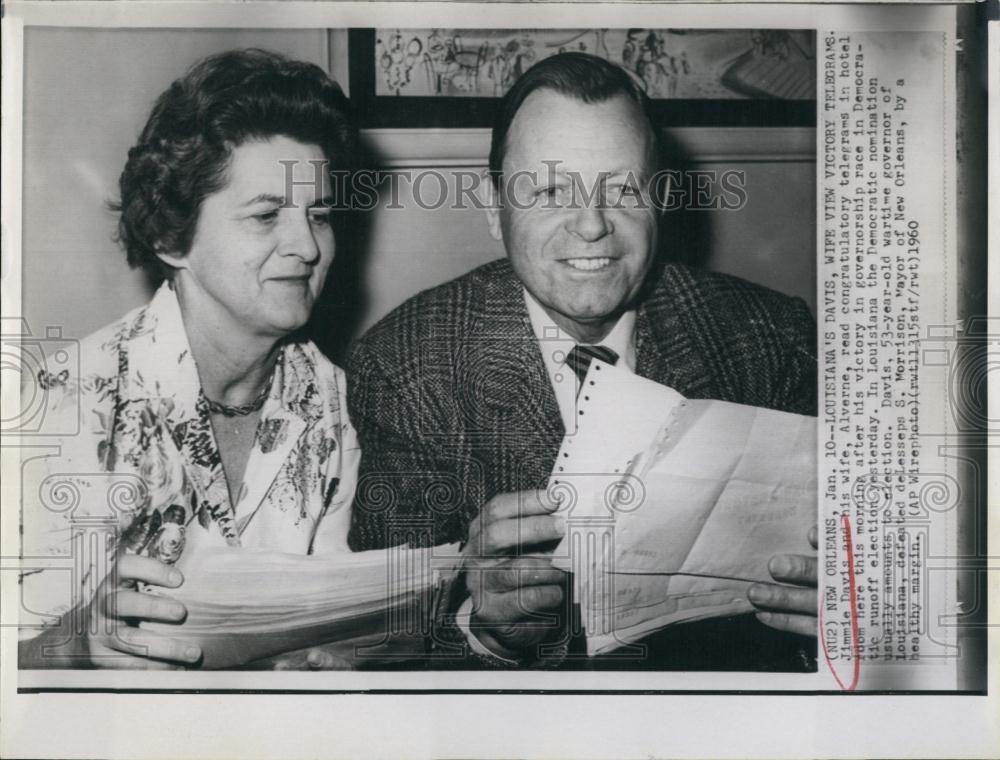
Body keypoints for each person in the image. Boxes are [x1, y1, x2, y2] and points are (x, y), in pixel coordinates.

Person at [347, 52, 818, 668]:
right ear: (494, 209)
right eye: (549, 190)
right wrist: (482, 629)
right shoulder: (406, 363)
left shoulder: (770, 335)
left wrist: (850, 604)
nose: (593, 225)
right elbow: (383, 642)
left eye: (623, 188)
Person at [18, 49, 360, 669]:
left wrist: (340, 651)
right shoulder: (64, 401)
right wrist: (74, 648)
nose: (308, 245)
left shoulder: (329, 395)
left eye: (320, 214)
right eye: (266, 215)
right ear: (172, 235)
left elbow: (330, 608)